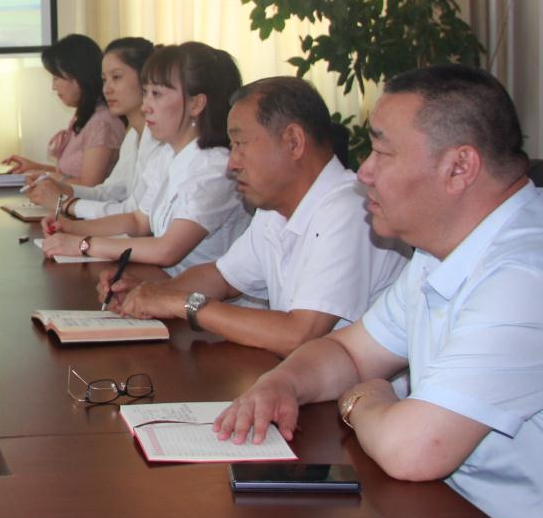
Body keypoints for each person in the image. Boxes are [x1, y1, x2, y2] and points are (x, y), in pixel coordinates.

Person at [214, 65, 543, 518]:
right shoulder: (441, 249)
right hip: (453, 504)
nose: (364, 172)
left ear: (459, 167)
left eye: (382, 152)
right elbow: (349, 352)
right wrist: (279, 385)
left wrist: (362, 399)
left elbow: (411, 450)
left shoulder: (528, 278)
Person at [102, 77, 407, 356]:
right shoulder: (276, 207)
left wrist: (181, 303)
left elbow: (299, 334)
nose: (232, 163)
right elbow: (224, 277)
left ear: (293, 142)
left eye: (240, 144)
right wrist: (149, 293)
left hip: (355, 394)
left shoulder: (350, 208)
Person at [41, 41, 248, 279]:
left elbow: (166, 250)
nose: (146, 106)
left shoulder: (215, 168)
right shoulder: (168, 153)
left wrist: (84, 244)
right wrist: (73, 228)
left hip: (199, 297)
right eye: (146, 92)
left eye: (156, 94)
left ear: (196, 103)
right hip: (164, 284)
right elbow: (138, 221)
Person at [28, 37, 163, 220]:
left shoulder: (161, 142)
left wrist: (64, 203)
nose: (107, 89)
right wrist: (63, 190)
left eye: (116, 77)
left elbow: (134, 214)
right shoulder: (133, 137)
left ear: (146, 79)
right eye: (104, 80)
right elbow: (108, 193)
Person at [4, 34, 125, 186]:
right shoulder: (87, 116)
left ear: (78, 75)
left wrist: (46, 175)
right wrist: (36, 168)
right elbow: (69, 175)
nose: (53, 87)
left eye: (56, 77)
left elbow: (89, 186)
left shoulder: (101, 123)